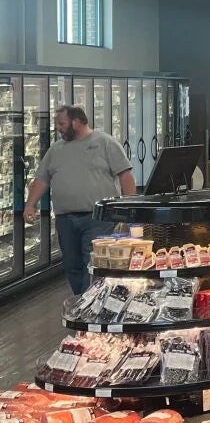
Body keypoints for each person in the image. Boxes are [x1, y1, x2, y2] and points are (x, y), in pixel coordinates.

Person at [23, 106, 135, 297]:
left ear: (76, 122)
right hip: (65, 220)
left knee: (92, 264)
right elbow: (42, 179)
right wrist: (30, 205)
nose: (58, 128)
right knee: (72, 265)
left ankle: (87, 304)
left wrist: (129, 207)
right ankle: (81, 300)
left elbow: (125, 175)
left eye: (61, 123)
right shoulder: (56, 150)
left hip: (98, 218)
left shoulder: (104, 142)